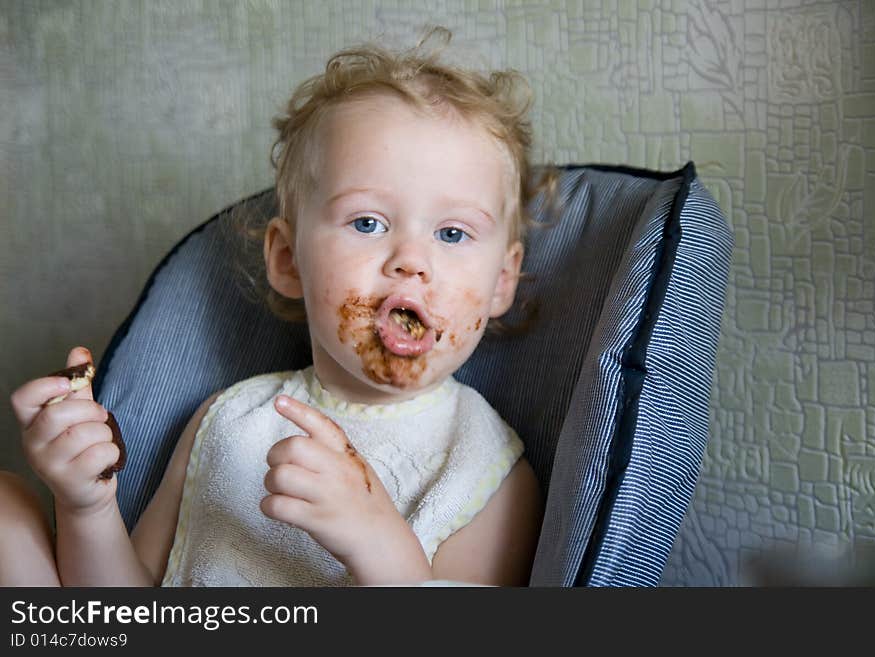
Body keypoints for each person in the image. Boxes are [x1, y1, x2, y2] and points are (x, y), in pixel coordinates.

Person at [2, 29, 546, 587]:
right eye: (367, 223)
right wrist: (84, 506)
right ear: (288, 260)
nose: (411, 261)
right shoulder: (228, 419)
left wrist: (379, 546)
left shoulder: (487, 470)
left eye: (452, 234)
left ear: (501, 280)